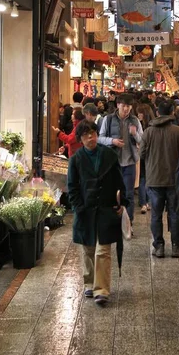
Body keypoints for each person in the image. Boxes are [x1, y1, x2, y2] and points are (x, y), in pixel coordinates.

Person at [67, 121, 127, 306]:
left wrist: (122, 201)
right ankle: (90, 283)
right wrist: (78, 207)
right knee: (88, 249)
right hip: (85, 210)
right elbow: (72, 186)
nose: (90, 138)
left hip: (106, 208)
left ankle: (102, 290)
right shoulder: (76, 159)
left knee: (103, 250)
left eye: (93, 133)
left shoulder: (109, 154)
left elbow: (119, 180)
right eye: (86, 135)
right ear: (80, 139)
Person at [140, 100, 179, 258]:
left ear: (158, 113)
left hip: (154, 179)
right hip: (174, 179)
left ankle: (159, 247)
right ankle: (176, 247)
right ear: (173, 112)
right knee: (175, 213)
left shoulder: (148, 132)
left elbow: (142, 154)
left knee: (156, 215)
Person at [98, 93, 143, 225]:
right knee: (112, 193)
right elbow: (100, 138)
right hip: (113, 163)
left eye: (129, 106)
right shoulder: (108, 119)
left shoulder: (135, 121)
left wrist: (135, 134)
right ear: (118, 105)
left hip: (129, 162)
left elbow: (143, 140)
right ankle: (113, 220)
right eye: (124, 106)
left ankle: (128, 222)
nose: (126, 109)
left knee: (128, 194)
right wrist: (113, 141)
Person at [136, 103, 155, 214]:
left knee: (144, 178)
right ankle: (145, 202)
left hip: (146, 153)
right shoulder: (149, 126)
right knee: (144, 178)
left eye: (140, 113)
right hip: (145, 154)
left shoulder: (147, 127)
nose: (138, 115)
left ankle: (145, 202)